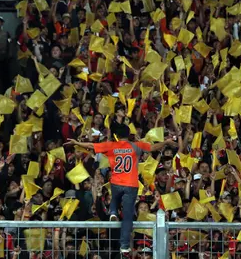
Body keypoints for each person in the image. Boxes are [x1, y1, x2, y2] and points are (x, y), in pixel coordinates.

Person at [65, 106, 175, 255]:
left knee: (114, 198)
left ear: (116, 135)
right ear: (128, 134)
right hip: (131, 184)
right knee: (128, 216)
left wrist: (77, 143)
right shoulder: (136, 146)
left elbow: (91, 145)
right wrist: (166, 142)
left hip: (116, 183)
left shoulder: (111, 146)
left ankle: (112, 212)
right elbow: (154, 147)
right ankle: (124, 246)